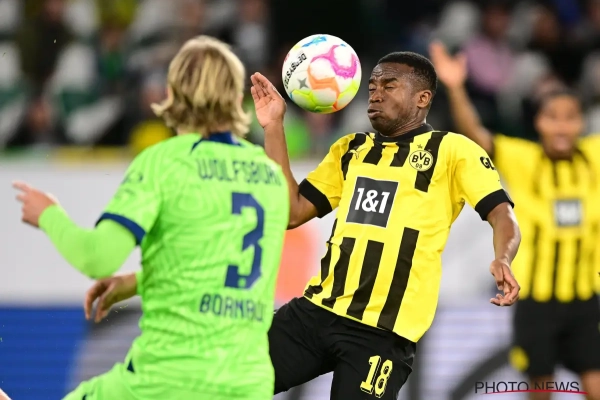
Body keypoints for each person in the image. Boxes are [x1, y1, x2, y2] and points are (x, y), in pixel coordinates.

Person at [86, 50, 521, 399]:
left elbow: (502, 213)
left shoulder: (453, 151)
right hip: (315, 312)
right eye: (372, 86)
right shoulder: (350, 150)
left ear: (422, 98)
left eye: (389, 85)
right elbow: (291, 211)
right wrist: (273, 126)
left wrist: (502, 257)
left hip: (382, 334)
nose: (374, 94)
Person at [12, 36, 289, 400]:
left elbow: (97, 257)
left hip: (166, 380)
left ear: (172, 93)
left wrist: (48, 214)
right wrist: (138, 282)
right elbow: (218, 265)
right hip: (247, 384)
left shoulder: (165, 162)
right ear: (236, 98)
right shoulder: (269, 175)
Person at [430, 41, 600, 400]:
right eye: (552, 117)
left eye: (570, 117)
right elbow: (476, 137)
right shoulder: (523, 159)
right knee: (541, 388)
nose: (562, 126)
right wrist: (456, 87)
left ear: (581, 122)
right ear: (538, 122)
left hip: (586, 300)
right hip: (538, 302)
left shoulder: (594, 156)